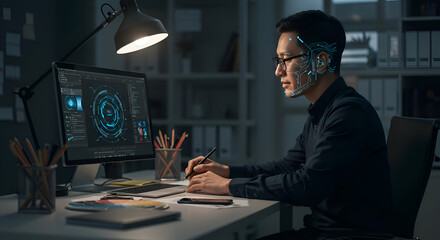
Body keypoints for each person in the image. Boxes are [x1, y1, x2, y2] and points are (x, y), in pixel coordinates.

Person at [185, 10, 392, 239]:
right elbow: (288, 167)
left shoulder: (348, 113)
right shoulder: (323, 109)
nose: (278, 71)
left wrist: (228, 186)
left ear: (320, 61)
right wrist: (228, 171)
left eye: (286, 60)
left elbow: (307, 186)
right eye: (278, 60)